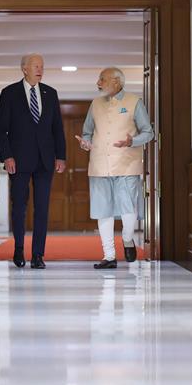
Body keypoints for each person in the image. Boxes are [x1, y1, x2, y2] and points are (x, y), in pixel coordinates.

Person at [75, 67, 154, 269]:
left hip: (127, 164)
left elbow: (149, 133)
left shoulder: (134, 102)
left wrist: (132, 141)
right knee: (103, 211)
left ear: (117, 82)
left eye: (102, 79)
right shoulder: (95, 104)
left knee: (128, 209)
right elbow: (87, 132)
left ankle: (128, 239)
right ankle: (109, 256)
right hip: (100, 165)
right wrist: (85, 142)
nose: (98, 83)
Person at [0, 53, 66, 269]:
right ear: (24, 69)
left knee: (42, 208)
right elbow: (1, 130)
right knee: (19, 206)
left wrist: (61, 156)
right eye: (36, 66)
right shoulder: (9, 93)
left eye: (42, 66)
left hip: (45, 161)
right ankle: (18, 249)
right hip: (18, 160)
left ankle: (38, 255)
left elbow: (57, 129)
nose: (40, 69)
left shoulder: (50, 93)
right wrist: (6, 156)